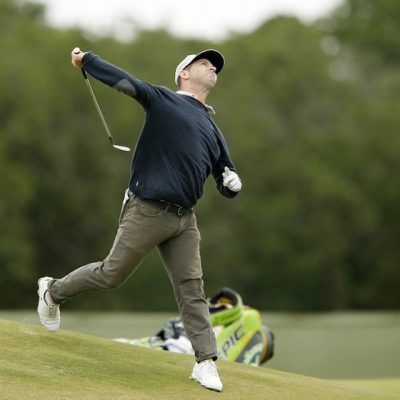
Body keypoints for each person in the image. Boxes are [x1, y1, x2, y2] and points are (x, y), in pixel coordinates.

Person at [37, 47, 242, 392]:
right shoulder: (163, 100)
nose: (211, 68)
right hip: (147, 208)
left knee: (192, 289)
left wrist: (231, 183)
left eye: (215, 66)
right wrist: (87, 61)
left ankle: (205, 362)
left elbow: (225, 176)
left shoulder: (212, 127)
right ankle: (52, 292)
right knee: (111, 274)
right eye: (203, 63)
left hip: (184, 219)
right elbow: (126, 83)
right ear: (184, 74)